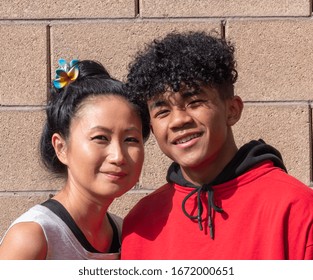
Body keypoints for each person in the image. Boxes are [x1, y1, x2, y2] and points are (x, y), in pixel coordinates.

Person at [121, 31, 313, 260]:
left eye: (195, 102)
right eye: (162, 111)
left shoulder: (296, 206)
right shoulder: (140, 223)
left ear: (232, 110)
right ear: (153, 129)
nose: (179, 120)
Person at [0, 59, 149, 259]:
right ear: (61, 148)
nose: (118, 156)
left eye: (131, 139)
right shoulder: (32, 237)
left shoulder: (126, 234)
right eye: (100, 138)